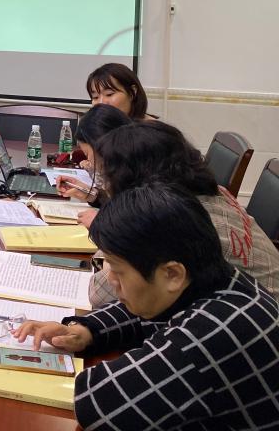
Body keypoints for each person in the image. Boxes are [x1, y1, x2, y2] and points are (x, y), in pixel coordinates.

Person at [17, 186, 279, 430]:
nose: (111, 279)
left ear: (172, 274)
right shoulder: (214, 279)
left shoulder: (213, 332)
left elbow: (99, 404)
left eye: (117, 270)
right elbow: (145, 307)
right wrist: (86, 330)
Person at [84, 120, 279, 308]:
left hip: (255, 320)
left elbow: (99, 293)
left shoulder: (171, 219)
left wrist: (111, 243)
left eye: (107, 177)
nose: (106, 187)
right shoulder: (213, 191)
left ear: (131, 179)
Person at [55, 104, 132, 212]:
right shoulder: (128, 167)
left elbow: (129, 215)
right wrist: (91, 194)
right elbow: (118, 204)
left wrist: (99, 219)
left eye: (87, 154)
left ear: (102, 147)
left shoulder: (140, 181)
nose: (89, 162)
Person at [85, 62, 150, 120]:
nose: (101, 103)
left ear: (132, 93)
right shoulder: (92, 126)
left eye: (109, 94)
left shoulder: (149, 128)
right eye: (95, 97)